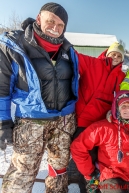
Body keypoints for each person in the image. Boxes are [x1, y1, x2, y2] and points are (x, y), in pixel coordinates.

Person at [0, 3, 78, 193]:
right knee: (21, 173)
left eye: (60, 25)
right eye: (50, 21)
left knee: (59, 172)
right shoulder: (15, 46)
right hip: (31, 121)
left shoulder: (68, 50)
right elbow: (2, 88)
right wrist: (3, 122)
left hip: (63, 121)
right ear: (39, 19)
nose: (55, 28)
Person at [70, 90, 129, 193]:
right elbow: (78, 147)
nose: (127, 110)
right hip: (111, 175)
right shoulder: (103, 127)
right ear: (117, 108)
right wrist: (89, 172)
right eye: (123, 106)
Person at [73, 42, 126, 192]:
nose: (115, 57)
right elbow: (73, 56)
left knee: (100, 160)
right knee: (85, 159)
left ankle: (100, 186)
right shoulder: (93, 63)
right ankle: (87, 189)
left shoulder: (122, 76)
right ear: (107, 53)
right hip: (84, 121)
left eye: (119, 55)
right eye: (113, 53)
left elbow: (125, 97)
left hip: (104, 124)